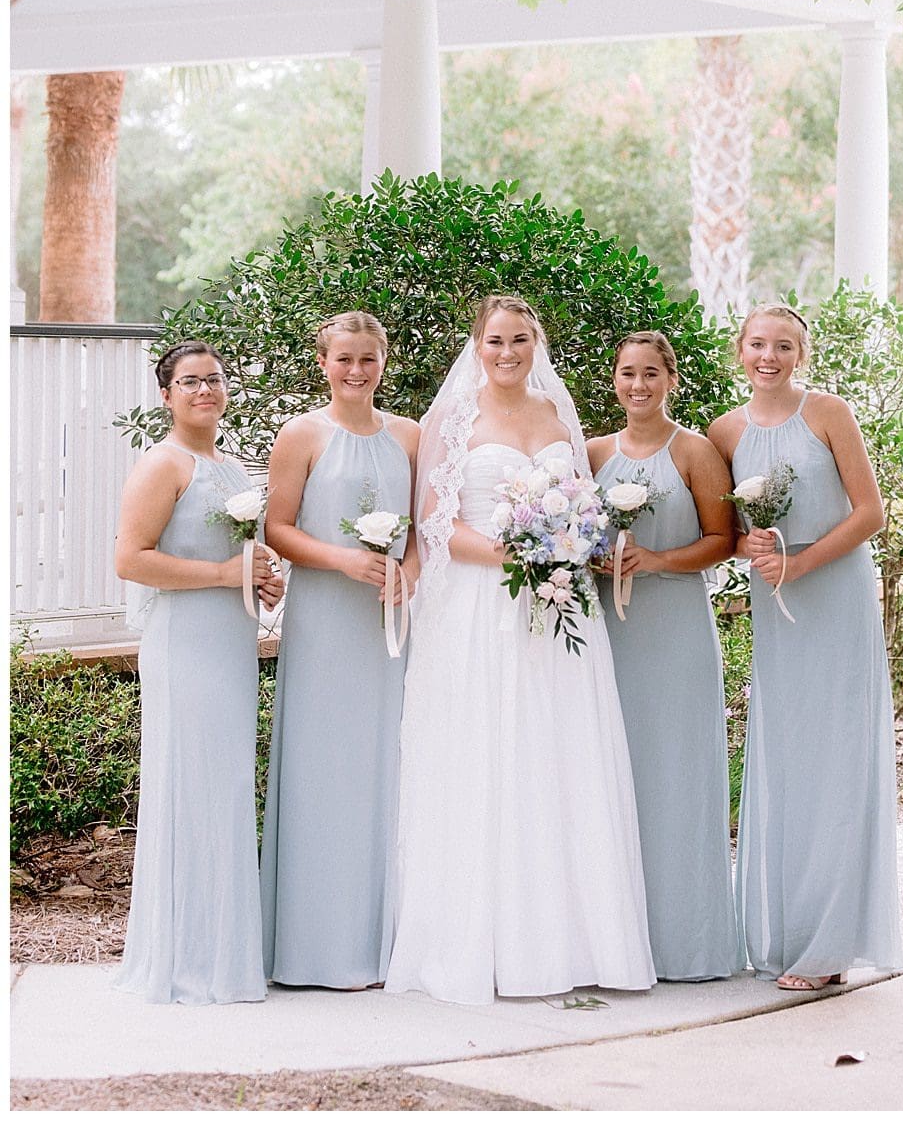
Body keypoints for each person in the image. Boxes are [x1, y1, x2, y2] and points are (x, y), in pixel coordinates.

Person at [386, 295, 653, 1004]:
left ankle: (574, 941)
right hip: (482, 603)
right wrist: (516, 555)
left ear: (537, 343)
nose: (508, 352)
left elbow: (581, 502)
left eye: (521, 340)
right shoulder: (453, 419)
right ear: (477, 345)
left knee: (561, 751)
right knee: (489, 751)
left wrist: (572, 546)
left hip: (560, 601)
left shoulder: (556, 416)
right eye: (496, 340)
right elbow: (433, 524)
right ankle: (488, 943)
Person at [708, 304, 901, 990]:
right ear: (741, 350)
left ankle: (829, 948)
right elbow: (723, 533)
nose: (769, 356)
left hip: (834, 596)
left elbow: (870, 512)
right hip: (776, 606)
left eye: (782, 346)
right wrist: (750, 549)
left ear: (801, 353)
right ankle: (788, 935)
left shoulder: (828, 413)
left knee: (837, 758)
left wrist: (804, 561)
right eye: (758, 344)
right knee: (788, 760)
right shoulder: (724, 431)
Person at [112, 342, 285, 1004]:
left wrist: (259, 576)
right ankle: (185, 959)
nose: (204, 390)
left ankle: (222, 953)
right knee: (191, 787)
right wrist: (221, 575)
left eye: (213, 379)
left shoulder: (229, 464)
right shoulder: (163, 465)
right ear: (167, 395)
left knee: (224, 788)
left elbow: (235, 551)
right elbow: (131, 559)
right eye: (189, 381)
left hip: (229, 641)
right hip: (185, 645)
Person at [260, 311, 420, 989]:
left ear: (386, 361)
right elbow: (276, 525)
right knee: (324, 766)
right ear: (322, 362)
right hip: (326, 619)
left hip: (392, 627)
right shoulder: (302, 434)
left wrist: (407, 574)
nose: (356, 371)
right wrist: (341, 561)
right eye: (344, 359)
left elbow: (430, 528)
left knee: (391, 768)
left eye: (369, 359)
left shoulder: (411, 436)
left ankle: (387, 943)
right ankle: (313, 948)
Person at [587, 331, 741, 981]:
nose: (639, 385)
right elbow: (570, 529)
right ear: (614, 379)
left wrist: (658, 561)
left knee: (676, 775)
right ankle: (615, 944)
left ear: (670, 380)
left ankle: (687, 943)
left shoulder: (696, 452)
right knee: (611, 774)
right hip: (608, 637)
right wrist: (594, 558)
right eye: (628, 373)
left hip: (675, 631)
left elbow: (724, 538)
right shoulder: (592, 452)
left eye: (651, 373)